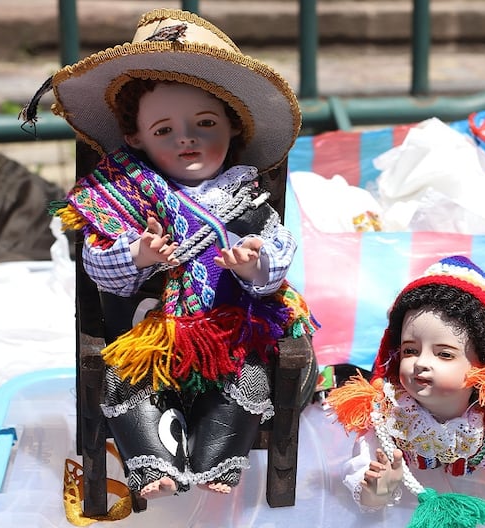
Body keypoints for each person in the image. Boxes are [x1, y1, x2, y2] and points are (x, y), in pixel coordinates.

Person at [25, 9, 315, 501]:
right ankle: (154, 464)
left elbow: (277, 259)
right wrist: (133, 256)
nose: (187, 137)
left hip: (225, 337)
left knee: (247, 380)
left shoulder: (246, 199)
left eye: (205, 123)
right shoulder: (123, 196)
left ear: (232, 127)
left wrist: (256, 266)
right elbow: (98, 267)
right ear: (136, 137)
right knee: (126, 382)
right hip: (146, 339)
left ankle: (216, 462)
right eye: (164, 130)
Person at [325, 255, 485, 527]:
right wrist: (376, 490)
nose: (420, 363)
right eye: (410, 350)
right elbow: (363, 461)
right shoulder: (388, 416)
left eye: (444, 354)